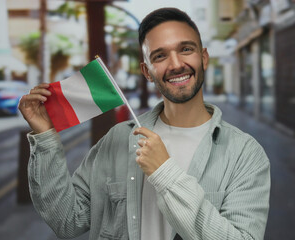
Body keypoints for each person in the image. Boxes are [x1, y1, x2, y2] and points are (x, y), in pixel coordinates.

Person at [19, 7, 270, 240]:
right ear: (147, 71)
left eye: (185, 49)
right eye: (160, 56)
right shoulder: (117, 139)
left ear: (204, 58)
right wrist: (45, 136)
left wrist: (164, 172)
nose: (175, 64)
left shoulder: (245, 154)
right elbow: (67, 220)